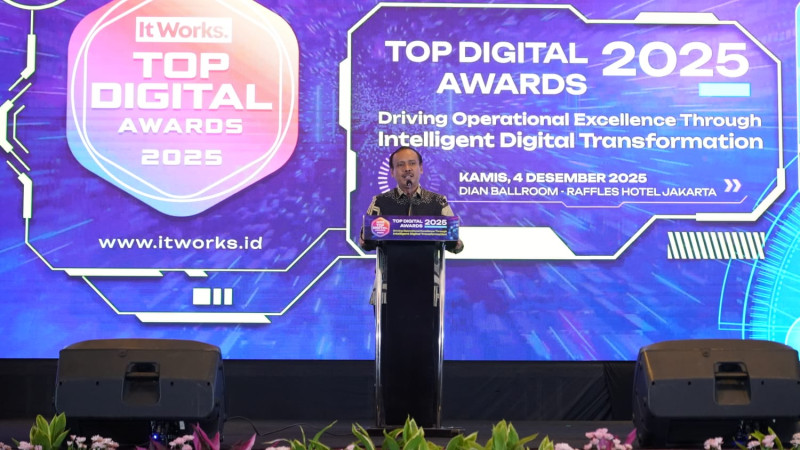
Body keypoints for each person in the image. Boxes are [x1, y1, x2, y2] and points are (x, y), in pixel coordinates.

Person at [359, 146, 464, 253]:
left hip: (428, 263)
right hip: (390, 263)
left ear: (421, 168)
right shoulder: (380, 201)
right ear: (392, 172)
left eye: (412, 163)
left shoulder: (438, 201)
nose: (407, 168)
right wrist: (365, 239)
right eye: (400, 164)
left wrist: (456, 243)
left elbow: (454, 243)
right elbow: (366, 240)